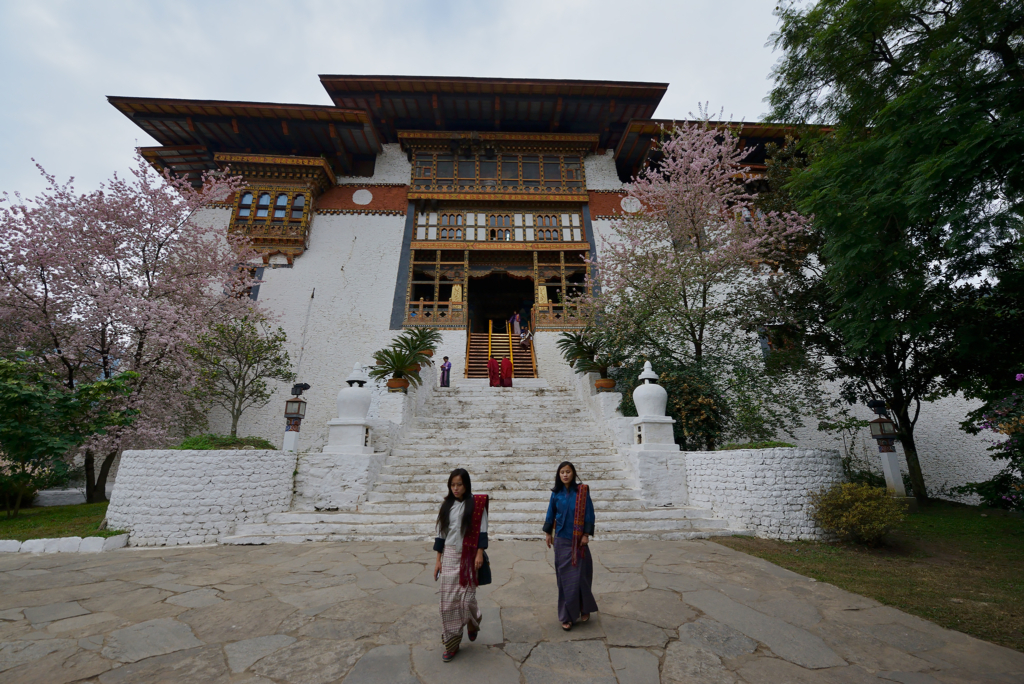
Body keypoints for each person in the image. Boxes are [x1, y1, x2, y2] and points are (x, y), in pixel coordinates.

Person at [434, 468, 488, 662]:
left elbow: (482, 531)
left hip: (469, 556)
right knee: (447, 603)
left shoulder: (476, 505)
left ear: (466, 485)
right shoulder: (446, 506)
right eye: (452, 485)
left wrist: (479, 554)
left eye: (459, 484)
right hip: (448, 556)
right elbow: (441, 534)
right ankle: (451, 642)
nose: (455, 488)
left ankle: (473, 621)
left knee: (467, 600)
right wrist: (438, 561)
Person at [543, 461, 597, 631]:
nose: (565, 475)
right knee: (564, 579)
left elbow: (589, 513)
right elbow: (551, 513)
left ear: (573, 473)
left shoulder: (581, 492)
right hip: (561, 540)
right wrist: (548, 534)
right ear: (558, 475)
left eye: (568, 471)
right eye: (562, 472)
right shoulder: (556, 494)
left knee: (581, 576)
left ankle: (584, 607)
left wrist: (586, 535)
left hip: (578, 540)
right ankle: (567, 616)